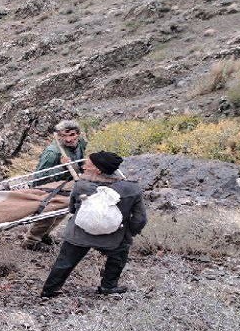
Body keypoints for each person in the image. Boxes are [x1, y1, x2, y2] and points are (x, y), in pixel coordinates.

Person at [41, 151, 147, 297]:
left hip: (79, 233)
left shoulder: (81, 186)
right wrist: (129, 233)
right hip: (113, 236)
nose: (84, 166)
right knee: (119, 254)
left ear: (98, 170)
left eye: (87, 164)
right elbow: (140, 219)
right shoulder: (132, 189)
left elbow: (71, 209)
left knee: (65, 261)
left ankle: (49, 290)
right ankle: (108, 286)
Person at [23, 120, 88, 251]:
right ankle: (31, 240)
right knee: (50, 212)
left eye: (72, 135)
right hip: (50, 187)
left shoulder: (80, 144)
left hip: (68, 184)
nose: (69, 139)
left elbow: (79, 161)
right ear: (59, 136)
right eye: (65, 136)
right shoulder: (53, 152)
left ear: (78, 134)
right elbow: (40, 176)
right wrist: (62, 167)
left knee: (63, 211)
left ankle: (44, 234)